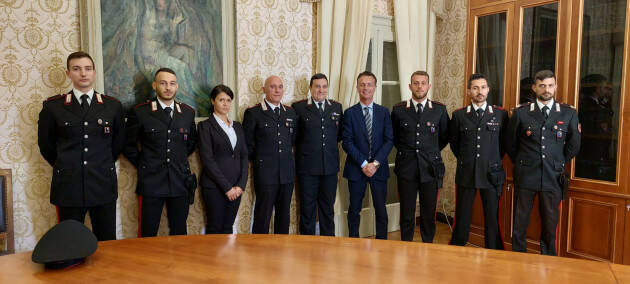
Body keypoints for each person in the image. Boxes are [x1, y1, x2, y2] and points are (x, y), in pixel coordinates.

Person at [38, 51, 124, 241]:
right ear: (68, 74)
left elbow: (118, 144)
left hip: (102, 184)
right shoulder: (53, 107)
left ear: (94, 72)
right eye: (76, 69)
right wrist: (68, 165)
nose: (83, 74)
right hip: (68, 186)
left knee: (107, 241)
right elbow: (46, 146)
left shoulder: (112, 106)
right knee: (69, 243)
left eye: (87, 69)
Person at [507, 70, 580, 255]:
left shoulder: (568, 113)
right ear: (534, 88)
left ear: (555, 86)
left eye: (550, 85)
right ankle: (517, 257)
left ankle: (548, 260)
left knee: (550, 223)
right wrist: (524, 162)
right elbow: (510, 143)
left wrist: (559, 162)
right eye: (542, 85)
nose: (546, 89)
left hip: (553, 175)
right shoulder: (522, 113)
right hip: (526, 174)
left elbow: (574, 145)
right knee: (520, 221)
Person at [124, 67, 197, 237]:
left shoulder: (187, 113)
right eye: (163, 83)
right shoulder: (141, 112)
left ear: (177, 86)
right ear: (154, 85)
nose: (168, 87)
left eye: (172, 83)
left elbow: (191, 142)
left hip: (180, 181)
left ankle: (178, 264)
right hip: (152, 182)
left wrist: (177, 160)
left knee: (179, 231)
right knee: (148, 232)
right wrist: (145, 164)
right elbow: (128, 145)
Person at [448, 73, 508, 249]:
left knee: (492, 217)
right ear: (468, 92)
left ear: (488, 90)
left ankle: (494, 252)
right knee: (462, 216)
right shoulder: (459, 116)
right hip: (467, 173)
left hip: (491, 174)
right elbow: (455, 144)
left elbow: (504, 144)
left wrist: (492, 160)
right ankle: (457, 249)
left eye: (482, 87)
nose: (479, 91)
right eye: (475, 88)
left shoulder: (500, 115)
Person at [390, 71, 449, 243]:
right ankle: (406, 244)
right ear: (410, 86)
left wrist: (429, 152)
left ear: (429, 86)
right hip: (406, 168)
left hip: (430, 168)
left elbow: (444, 137)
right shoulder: (399, 110)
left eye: (423, 83)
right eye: (416, 83)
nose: (420, 86)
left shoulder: (439, 110)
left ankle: (428, 244)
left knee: (428, 212)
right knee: (407, 212)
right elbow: (394, 137)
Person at [243, 75, 298, 234]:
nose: (277, 90)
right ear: (264, 90)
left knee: (284, 215)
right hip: (266, 174)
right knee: (263, 215)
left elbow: (292, 140)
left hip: (287, 174)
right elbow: (248, 145)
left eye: (280, 87)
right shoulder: (254, 113)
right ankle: (259, 251)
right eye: (272, 87)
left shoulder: (290, 112)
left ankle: (281, 249)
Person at [342, 71, 394, 240]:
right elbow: (347, 142)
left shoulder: (384, 112)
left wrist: (375, 163)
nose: (366, 88)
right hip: (357, 169)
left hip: (379, 169)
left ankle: (382, 242)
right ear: (357, 87)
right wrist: (364, 164)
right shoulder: (349, 113)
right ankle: (353, 241)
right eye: (362, 84)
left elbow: (389, 140)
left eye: (369, 84)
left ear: (375, 87)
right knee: (354, 209)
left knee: (381, 209)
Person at [292, 73, 343, 236]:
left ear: (327, 88)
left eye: (324, 86)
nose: (321, 90)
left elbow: (339, 135)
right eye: (317, 86)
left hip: (329, 167)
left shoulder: (336, 107)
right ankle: (307, 244)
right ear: (310, 88)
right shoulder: (298, 107)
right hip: (307, 168)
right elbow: (295, 136)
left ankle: (329, 241)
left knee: (328, 208)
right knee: (307, 209)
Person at [197, 85, 248, 234]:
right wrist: (227, 188)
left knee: (228, 227)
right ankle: (213, 258)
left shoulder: (237, 126)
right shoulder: (205, 126)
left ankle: (227, 258)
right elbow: (207, 160)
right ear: (213, 101)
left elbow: (244, 156)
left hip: (236, 188)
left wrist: (241, 185)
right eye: (221, 100)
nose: (225, 104)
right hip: (215, 187)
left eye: (228, 100)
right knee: (215, 228)